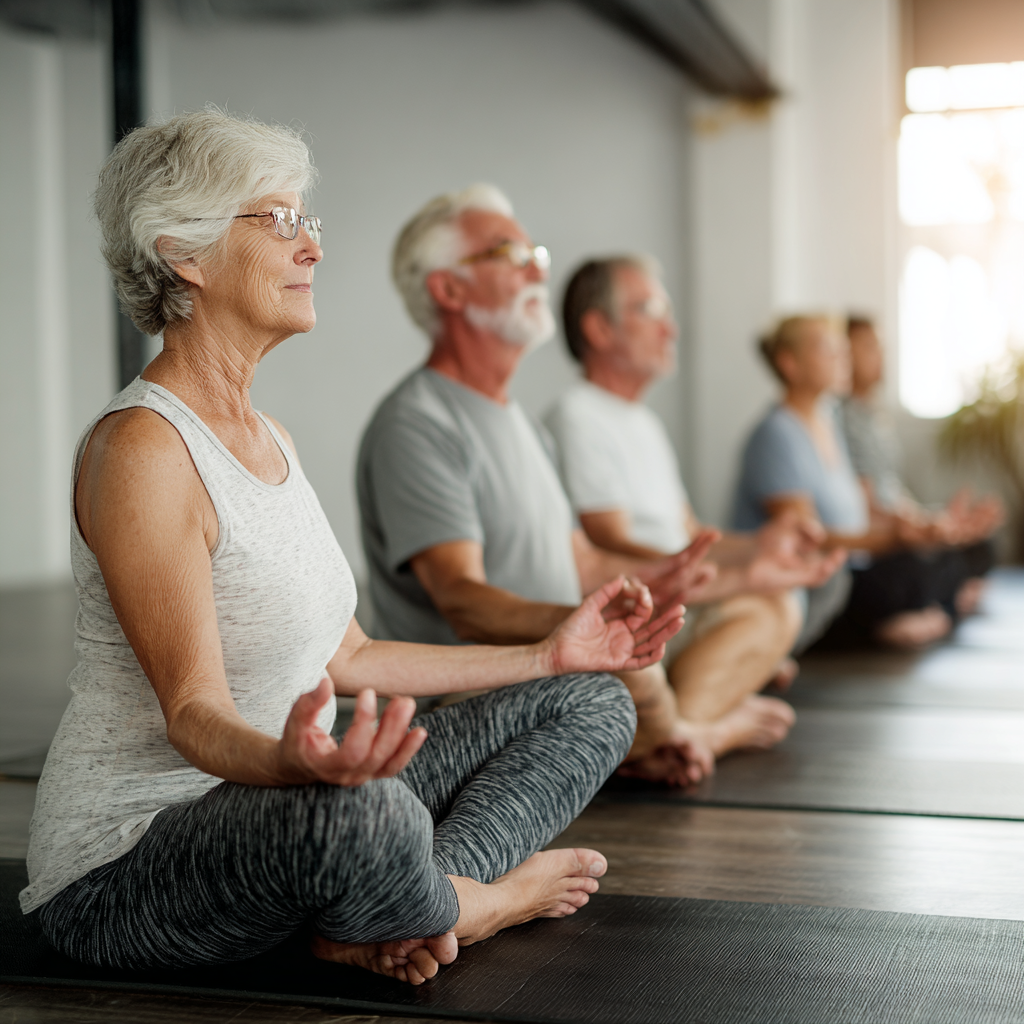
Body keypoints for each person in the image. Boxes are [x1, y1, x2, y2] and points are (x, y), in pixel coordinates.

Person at [20, 111, 683, 987]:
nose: (312, 250)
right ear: (185, 251)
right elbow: (192, 714)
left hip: (287, 804)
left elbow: (355, 654)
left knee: (592, 699)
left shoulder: (273, 437)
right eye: (282, 221)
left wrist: (549, 652)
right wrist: (296, 766)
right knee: (363, 814)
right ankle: (467, 904)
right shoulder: (143, 449)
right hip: (133, 867)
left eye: (309, 223)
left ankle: (397, 904)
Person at [357, 185, 804, 785]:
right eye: (510, 255)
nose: (537, 268)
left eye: (536, 254)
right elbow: (463, 601)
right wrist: (582, 631)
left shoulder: (519, 422)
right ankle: (697, 735)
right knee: (631, 679)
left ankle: (669, 736)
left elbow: (584, 558)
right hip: (471, 696)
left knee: (749, 620)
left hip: (558, 660)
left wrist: (659, 578)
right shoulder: (417, 424)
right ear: (449, 289)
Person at [544, 256, 845, 741]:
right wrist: (731, 577)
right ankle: (690, 733)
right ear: (599, 328)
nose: (671, 329)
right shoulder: (577, 416)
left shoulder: (642, 422)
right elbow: (611, 547)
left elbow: (689, 534)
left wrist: (759, 544)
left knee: (779, 595)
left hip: (676, 595)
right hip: (637, 608)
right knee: (775, 609)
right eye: (651, 310)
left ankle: (683, 721)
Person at [733, 314, 968, 648]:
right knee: (894, 577)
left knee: (944, 558)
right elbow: (808, 538)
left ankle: (913, 614)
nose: (841, 358)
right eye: (827, 349)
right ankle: (894, 620)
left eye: (842, 350)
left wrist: (920, 529)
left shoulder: (828, 423)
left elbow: (861, 512)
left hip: (854, 564)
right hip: (821, 574)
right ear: (789, 363)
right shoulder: (776, 434)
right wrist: (895, 540)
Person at [841, 314, 1001, 619]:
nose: (880, 357)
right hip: (878, 537)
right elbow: (866, 505)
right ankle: (948, 600)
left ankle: (947, 596)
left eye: (880, 347)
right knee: (917, 569)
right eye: (868, 347)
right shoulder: (842, 420)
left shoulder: (876, 417)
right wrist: (920, 528)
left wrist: (937, 520)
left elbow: (892, 489)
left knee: (983, 546)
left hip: (901, 522)